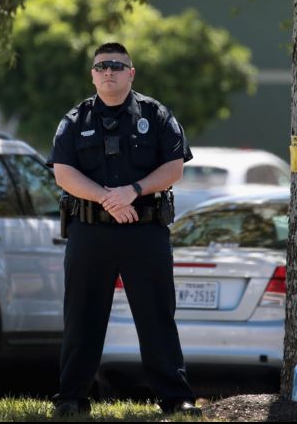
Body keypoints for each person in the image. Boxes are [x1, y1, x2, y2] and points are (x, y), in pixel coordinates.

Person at [47, 42, 200, 417]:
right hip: (90, 232)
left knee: (156, 317)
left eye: (117, 65)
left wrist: (131, 191)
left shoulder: (156, 114)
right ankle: (71, 398)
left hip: (144, 231)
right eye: (101, 66)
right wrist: (106, 199)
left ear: (131, 73)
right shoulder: (75, 119)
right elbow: (63, 173)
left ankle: (174, 398)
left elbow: (174, 167)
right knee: (82, 316)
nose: (109, 71)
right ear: (93, 75)